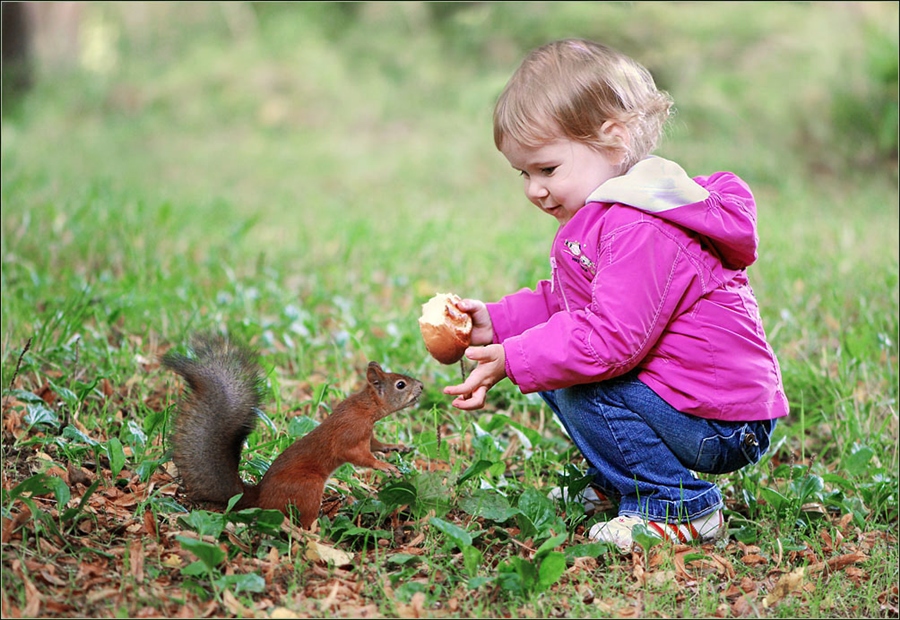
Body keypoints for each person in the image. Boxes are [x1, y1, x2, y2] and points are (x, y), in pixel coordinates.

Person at [443, 38, 789, 553]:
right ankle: (625, 481)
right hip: (697, 405)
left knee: (578, 379)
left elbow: (607, 340)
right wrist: (497, 322)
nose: (533, 190)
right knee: (558, 362)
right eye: (524, 173)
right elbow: (570, 302)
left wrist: (514, 358)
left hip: (722, 422)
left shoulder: (638, 227)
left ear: (614, 141)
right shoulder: (610, 215)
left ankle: (677, 505)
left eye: (548, 169)